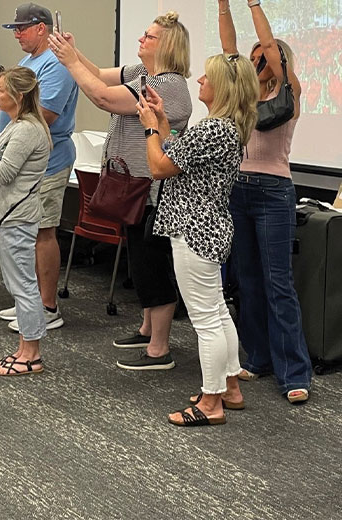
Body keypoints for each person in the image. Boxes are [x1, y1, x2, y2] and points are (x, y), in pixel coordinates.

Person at [49, 12, 192, 370]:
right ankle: (147, 328)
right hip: (136, 189)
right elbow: (97, 75)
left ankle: (159, 349)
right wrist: (73, 51)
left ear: (168, 46)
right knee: (140, 263)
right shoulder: (141, 74)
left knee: (152, 264)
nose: (141, 39)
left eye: (150, 36)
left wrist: (68, 61)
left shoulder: (169, 85)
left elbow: (102, 98)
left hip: (155, 192)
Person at [136, 52, 258, 425]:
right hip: (209, 227)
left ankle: (211, 403)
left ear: (222, 87)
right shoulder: (222, 129)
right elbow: (179, 155)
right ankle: (230, 388)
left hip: (193, 230)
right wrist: (161, 121)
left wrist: (149, 129)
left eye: (208, 76)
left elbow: (159, 167)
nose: (200, 80)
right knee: (217, 311)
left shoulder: (212, 130)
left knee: (205, 319)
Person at [217, 0, 313, 403]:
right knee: (248, 281)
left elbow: (271, 50)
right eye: (252, 59)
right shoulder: (242, 99)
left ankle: (295, 373)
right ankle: (256, 358)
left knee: (278, 284)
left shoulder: (289, 93)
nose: (256, 63)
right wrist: (222, 3)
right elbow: (228, 52)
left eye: (263, 60)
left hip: (274, 192)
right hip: (238, 190)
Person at [0, 3, 78, 332]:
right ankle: (31, 302)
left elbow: (46, 115)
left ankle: (48, 306)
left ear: (43, 28)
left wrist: (7, 102)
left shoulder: (56, 64)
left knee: (43, 232)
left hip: (46, 163)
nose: (17, 35)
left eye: (22, 28)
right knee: (25, 233)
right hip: (24, 163)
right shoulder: (29, 62)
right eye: (14, 29)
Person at [0, 67, 51, 376]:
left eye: (0, 90)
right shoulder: (17, 125)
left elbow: (3, 173)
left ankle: (31, 355)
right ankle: (24, 349)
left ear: (17, 96)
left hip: (17, 218)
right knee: (20, 285)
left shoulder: (27, 130)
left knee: (24, 287)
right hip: (8, 218)